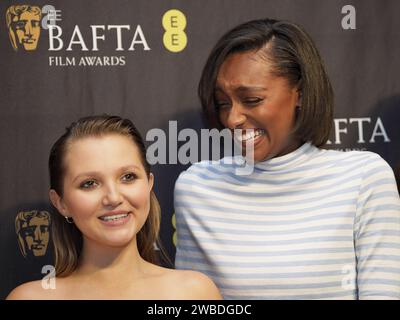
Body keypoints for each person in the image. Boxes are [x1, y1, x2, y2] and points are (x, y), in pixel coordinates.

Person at [174, 18, 400, 299]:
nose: (232, 119)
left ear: (300, 94)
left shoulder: (364, 178)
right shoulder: (197, 186)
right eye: (223, 103)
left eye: (252, 99)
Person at [7, 115, 221, 300]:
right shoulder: (31, 297)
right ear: (61, 203)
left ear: (149, 184)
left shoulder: (194, 292)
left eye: (128, 177)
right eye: (89, 183)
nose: (113, 197)